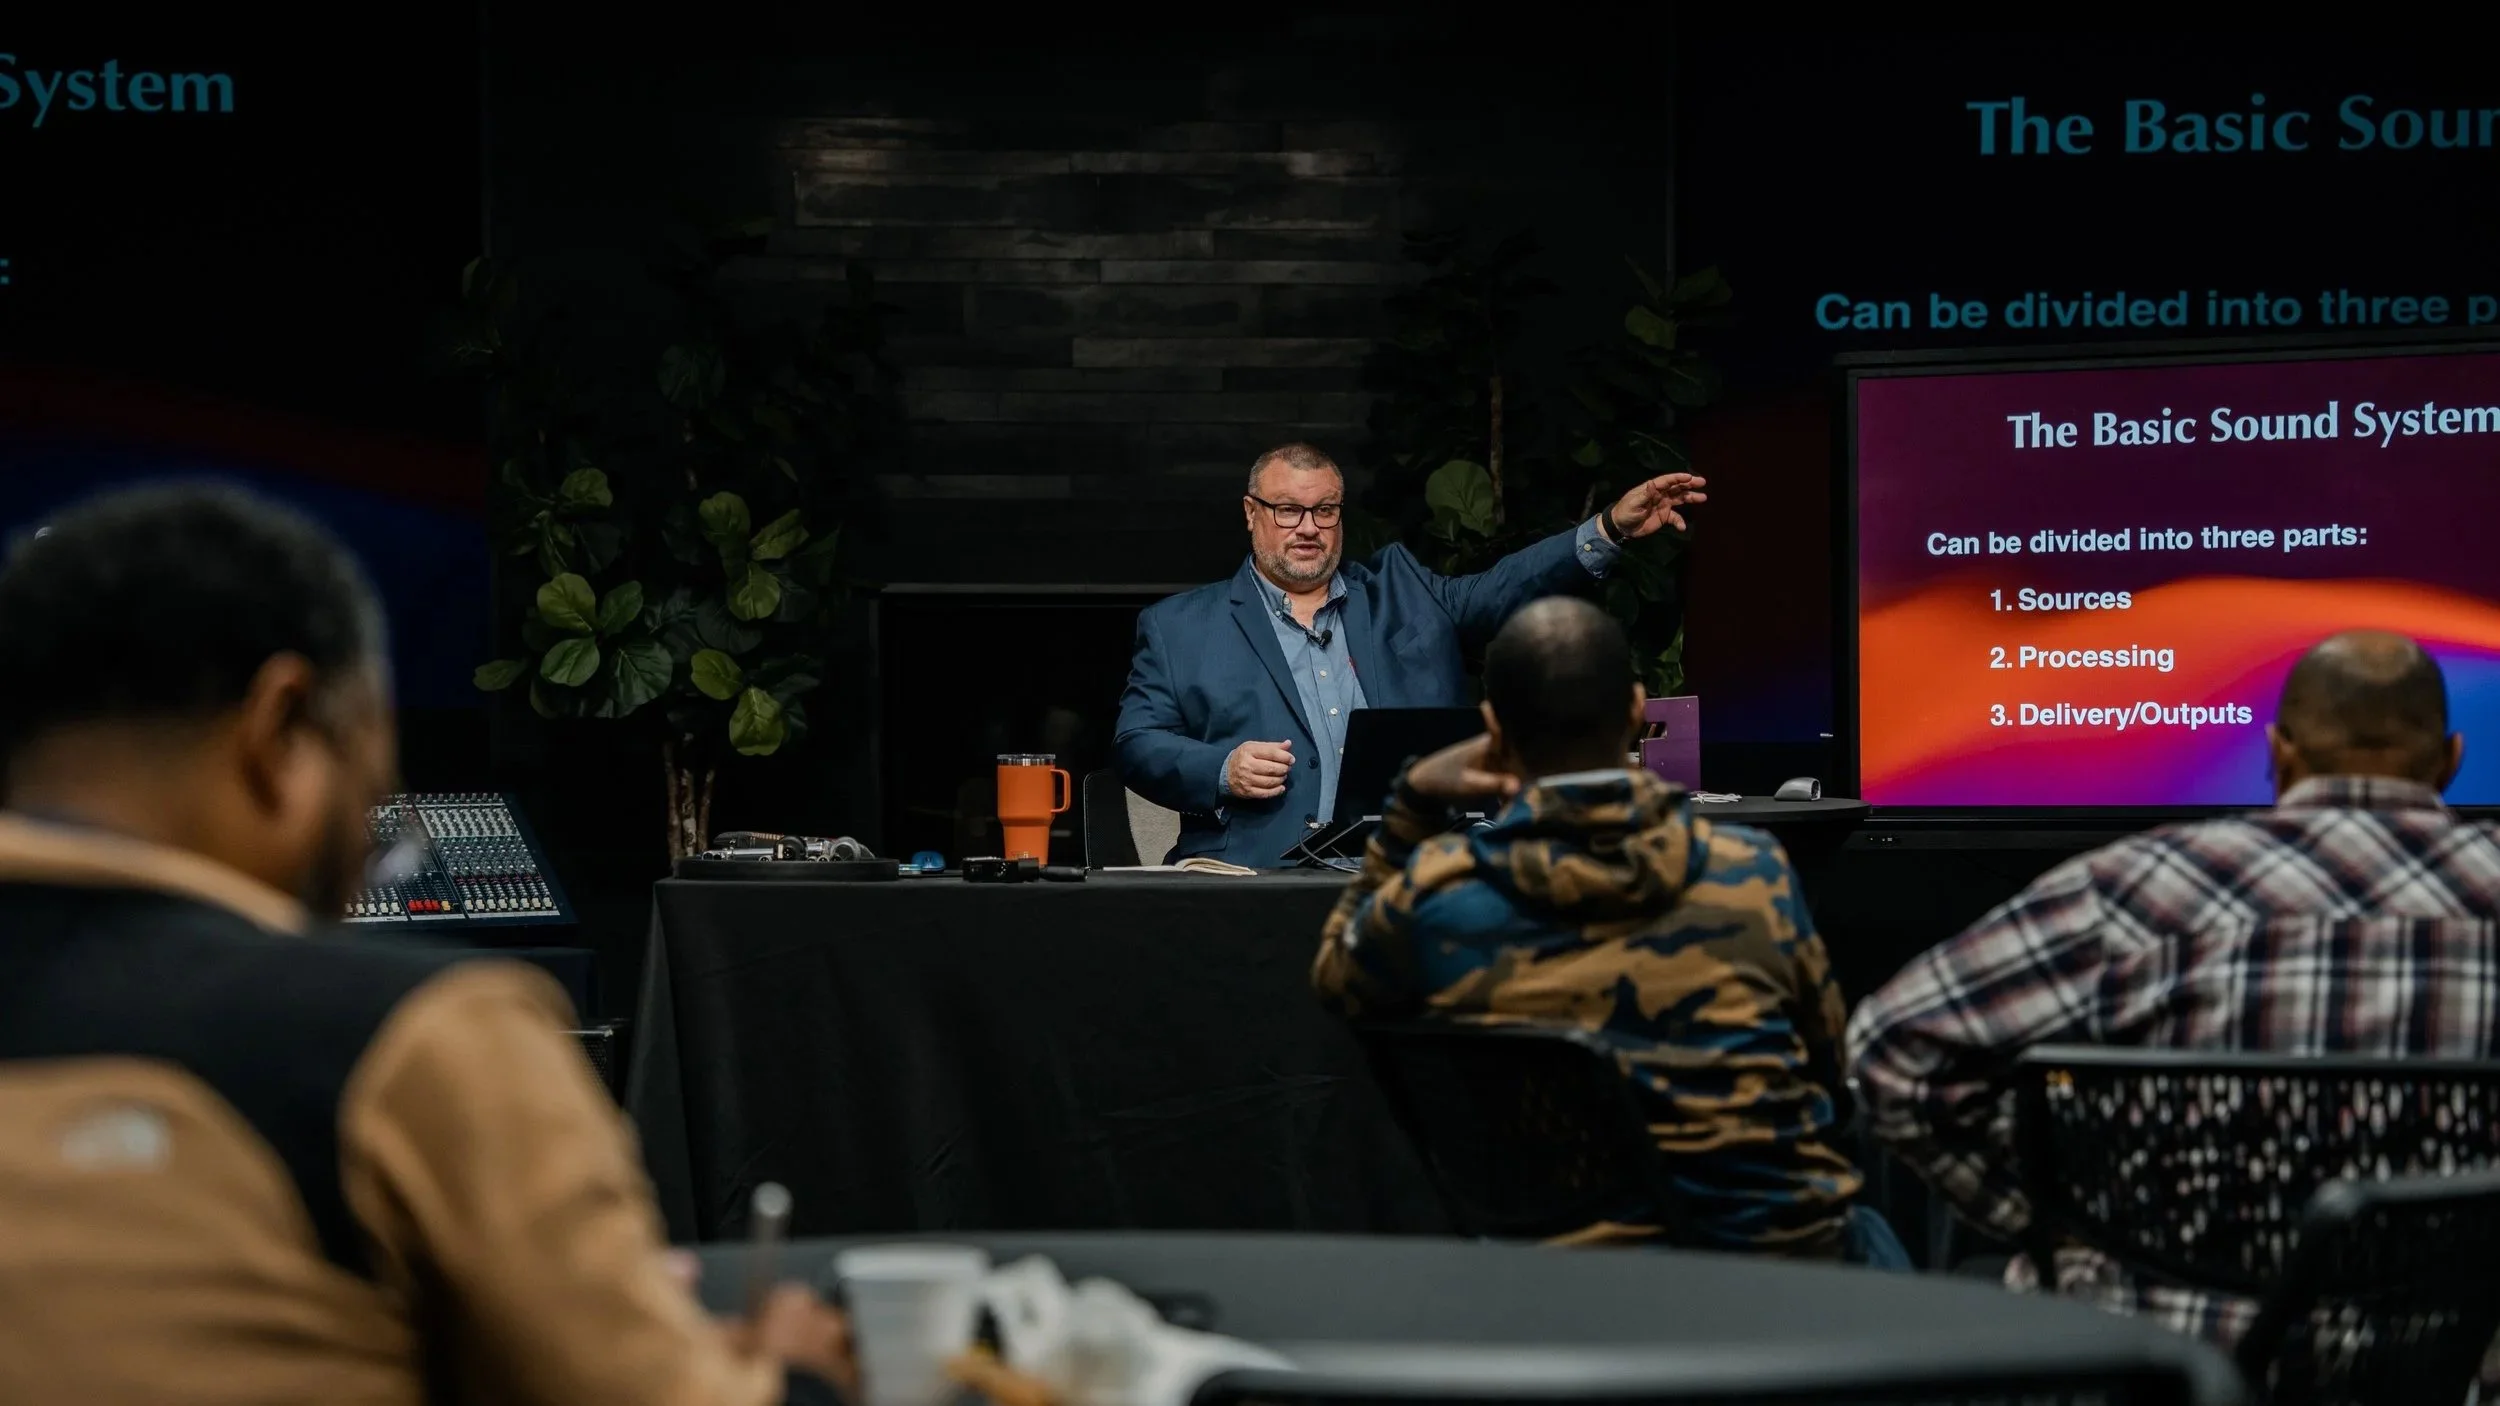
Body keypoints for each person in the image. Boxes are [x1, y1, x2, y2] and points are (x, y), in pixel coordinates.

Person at [0, 484, 852, 1402]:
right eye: (373, 764)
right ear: (280, 726)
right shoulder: (426, 1040)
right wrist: (796, 1372)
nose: (374, 831)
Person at [1848, 629, 2500, 1342]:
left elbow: (1892, 1051)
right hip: (2450, 1351)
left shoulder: (2141, 891)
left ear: (2279, 756)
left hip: (2161, 1355)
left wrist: (2076, 1222)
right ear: (2450, 761)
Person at [1311, 597, 1897, 1264]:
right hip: (1778, 1271)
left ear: (1495, 730)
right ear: (1638, 712)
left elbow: (1338, 975)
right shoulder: (1753, 874)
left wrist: (1412, 801)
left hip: (1565, 1283)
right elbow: (1827, 1076)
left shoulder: (1441, 895)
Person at [1115, 442, 1705, 868]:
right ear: (1252, 514)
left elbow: (1503, 587)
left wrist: (1608, 528)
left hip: (1410, 867)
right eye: (1287, 510)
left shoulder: (1404, 594)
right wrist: (1222, 769)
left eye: (1325, 510)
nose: (1308, 528)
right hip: (1255, 875)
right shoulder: (1180, 627)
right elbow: (1137, 743)